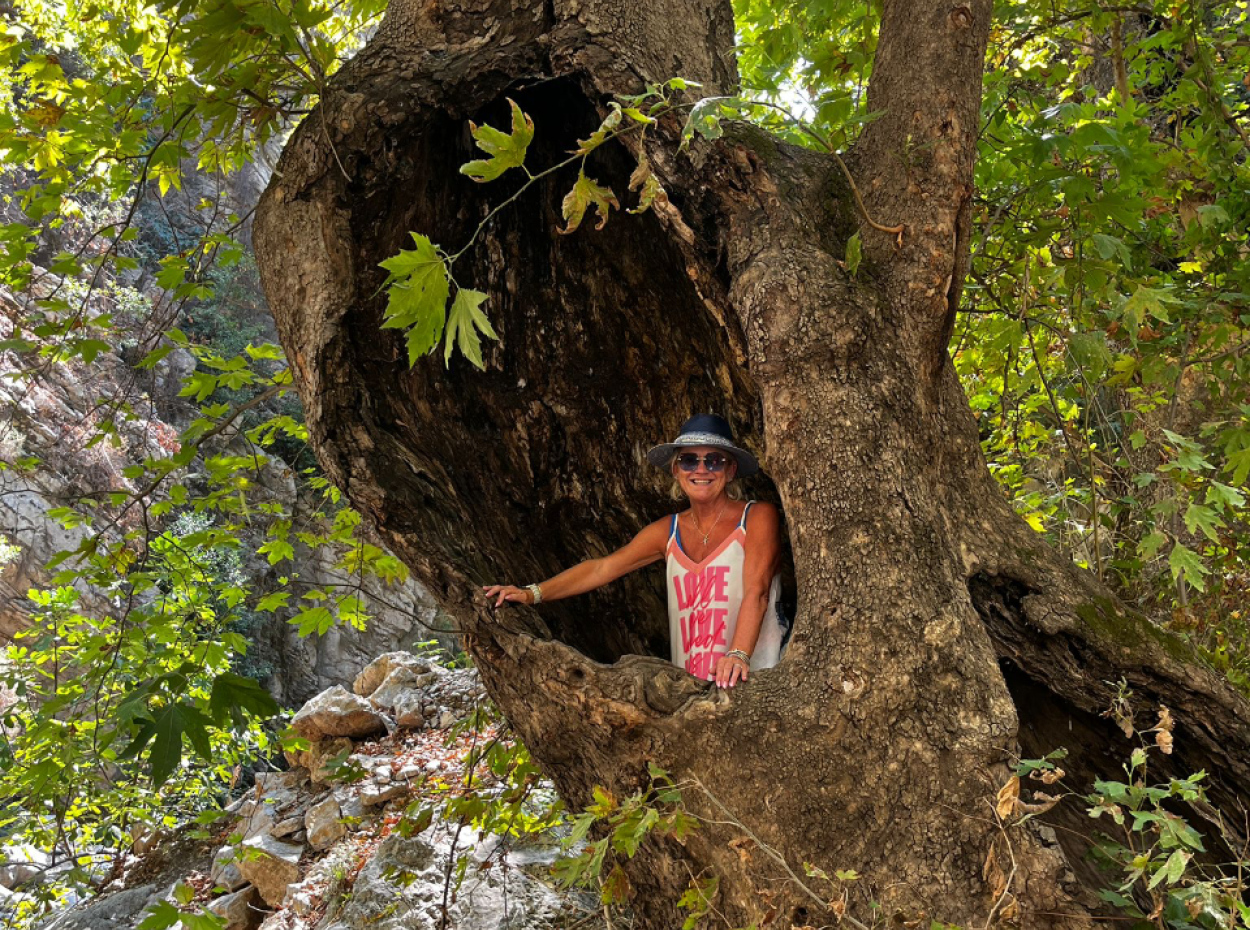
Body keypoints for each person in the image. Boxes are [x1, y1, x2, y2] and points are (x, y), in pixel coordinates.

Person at [483, 414, 786, 689]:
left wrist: (737, 655)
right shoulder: (668, 531)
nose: (702, 469)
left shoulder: (757, 516)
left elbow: (757, 591)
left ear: (731, 470)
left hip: (754, 679)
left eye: (715, 461)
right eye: (689, 460)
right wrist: (531, 593)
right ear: (675, 470)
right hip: (692, 691)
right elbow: (602, 568)